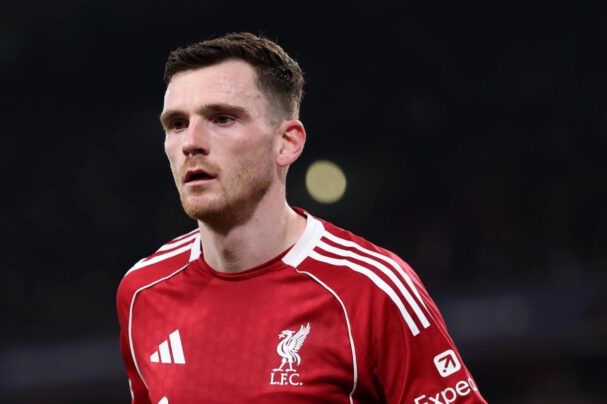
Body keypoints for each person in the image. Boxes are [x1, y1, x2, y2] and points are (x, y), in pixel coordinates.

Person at [116, 32, 486, 403]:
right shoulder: (142, 292)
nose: (190, 142)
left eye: (222, 119)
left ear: (287, 143)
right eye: (177, 124)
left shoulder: (371, 289)